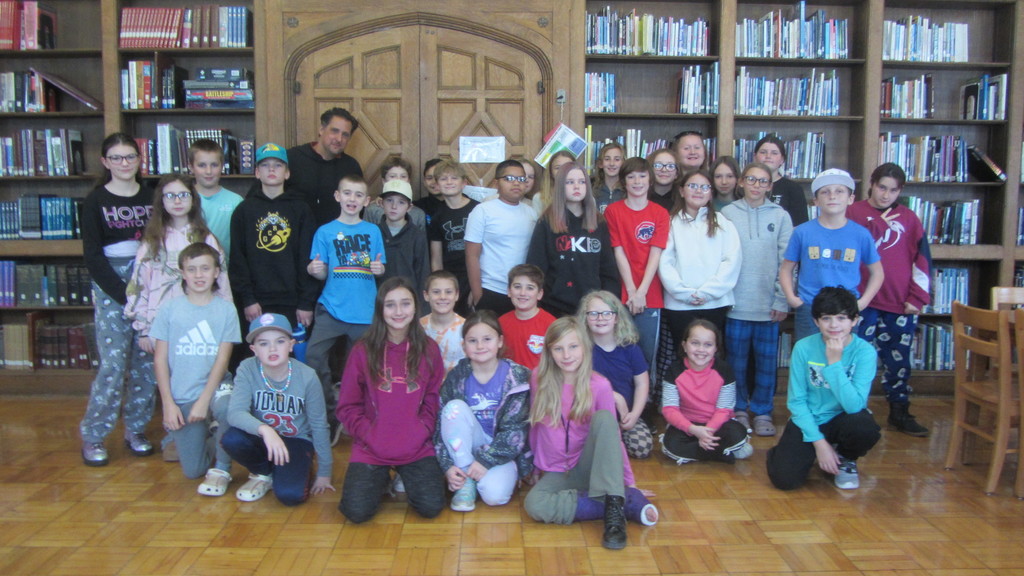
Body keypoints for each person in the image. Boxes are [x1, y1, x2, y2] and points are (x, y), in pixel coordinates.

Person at [523, 317, 658, 551]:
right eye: (558, 348)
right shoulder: (539, 379)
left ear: (585, 347)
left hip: (590, 466)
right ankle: (619, 502)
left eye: (573, 346)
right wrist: (534, 467)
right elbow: (536, 427)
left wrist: (629, 482)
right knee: (534, 505)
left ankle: (615, 509)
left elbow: (612, 437)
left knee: (605, 418)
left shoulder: (600, 385)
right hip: (557, 470)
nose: (567, 355)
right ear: (549, 351)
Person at [337, 277, 446, 523]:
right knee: (356, 512)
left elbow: (433, 398)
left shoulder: (429, 349)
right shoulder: (362, 350)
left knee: (431, 507)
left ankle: (403, 476)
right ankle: (382, 478)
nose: (398, 312)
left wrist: (422, 429)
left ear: (415, 307)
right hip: (371, 448)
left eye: (405, 303)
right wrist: (368, 433)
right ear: (380, 309)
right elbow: (347, 405)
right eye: (390, 305)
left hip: (416, 447)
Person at [79, 132, 156, 466]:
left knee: (146, 362)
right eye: (117, 158)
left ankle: (136, 429)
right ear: (105, 162)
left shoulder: (152, 196)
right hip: (112, 286)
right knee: (113, 364)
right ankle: (94, 434)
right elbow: (93, 256)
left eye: (130, 157)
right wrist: (125, 295)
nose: (124, 163)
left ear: (139, 160)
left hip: (149, 282)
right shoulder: (95, 201)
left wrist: (148, 292)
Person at [766, 287, 881, 491]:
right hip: (811, 418)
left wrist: (834, 363)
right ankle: (803, 450)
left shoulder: (864, 352)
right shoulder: (803, 347)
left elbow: (855, 406)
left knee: (865, 427)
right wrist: (819, 443)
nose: (834, 325)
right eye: (826, 318)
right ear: (816, 321)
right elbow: (797, 401)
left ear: (854, 320)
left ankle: (845, 458)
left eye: (841, 318)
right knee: (785, 480)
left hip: (844, 419)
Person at [848, 162, 931, 437]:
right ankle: (854, 412)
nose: (886, 195)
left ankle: (899, 411)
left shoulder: (910, 219)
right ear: (871, 184)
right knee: (855, 359)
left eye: (893, 190)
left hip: (898, 303)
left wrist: (918, 297)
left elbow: (922, 260)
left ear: (900, 191)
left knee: (899, 361)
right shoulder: (852, 213)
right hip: (861, 302)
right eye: (882, 187)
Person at [151, 243, 240, 495]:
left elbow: (222, 360)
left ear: (216, 272)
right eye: (192, 269)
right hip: (183, 394)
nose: (199, 275)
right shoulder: (170, 309)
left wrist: (204, 401)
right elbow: (160, 360)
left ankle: (222, 468)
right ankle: (215, 436)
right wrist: (168, 404)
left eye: (205, 268)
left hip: (216, 387)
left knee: (227, 409)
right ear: (183, 273)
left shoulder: (226, 309)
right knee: (193, 470)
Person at [305, 173, 385, 444]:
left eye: (358, 195)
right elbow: (321, 272)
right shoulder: (324, 231)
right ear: (337, 196)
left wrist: (379, 269)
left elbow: (379, 267)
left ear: (367, 201)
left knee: (360, 369)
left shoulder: (373, 231)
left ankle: (355, 418)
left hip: (364, 312)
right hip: (331, 308)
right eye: (347, 193)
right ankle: (329, 415)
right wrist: (314, 270)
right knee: (314, 357)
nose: (352, 199)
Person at [222, 313, 335, 504]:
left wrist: (325, 472)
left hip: (295, 440)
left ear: (291, 345)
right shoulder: (247, 368)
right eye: (264, 343)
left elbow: (319, 424)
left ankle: (292, 468)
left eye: (280, 341)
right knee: (232, 438)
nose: (272, 348)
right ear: (254, 349)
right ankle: (263, 472)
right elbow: (235, 413)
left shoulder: (307, 376)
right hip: (262, 438)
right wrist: (265, 430)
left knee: (290, 496)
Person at [721, 162, 793, 437]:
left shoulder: (781, 216)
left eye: (763, 181)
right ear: (741, 182)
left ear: (770, 186)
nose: (757, 185)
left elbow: (788, 262)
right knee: (736, 363)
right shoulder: (727, 214)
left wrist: (781, 299)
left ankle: (762, 410)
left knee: (765, 366)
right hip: (736, 305)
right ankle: (739, 409)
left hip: (768, 306)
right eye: (751, 179)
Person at [434, 311, 533, 512]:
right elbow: (440, 423)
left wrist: (485, 462)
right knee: (454, 409)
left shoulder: (517, 377)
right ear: (464, 345)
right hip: (465, 447)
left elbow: (516, 432)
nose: (480, 346)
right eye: (473, 341)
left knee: (495, 497)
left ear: (500, 341)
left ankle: (482, 475)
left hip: (501, 450)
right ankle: (465, 478)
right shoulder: (456, 376)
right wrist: (447, 466)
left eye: (487, 339)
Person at [125, 174, 231, 357]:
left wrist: (224, 321)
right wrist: (143, 328)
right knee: (165, 371)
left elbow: (222, 284)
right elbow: (139, 285)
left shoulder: (206, 239)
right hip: (160, 325)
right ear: (161, 201)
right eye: (170, 195)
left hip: (201, 324)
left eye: (183, 195)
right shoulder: (152, 242)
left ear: (193, 199)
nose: (177, 201)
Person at [780, 168, 884, 341]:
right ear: (815, 200)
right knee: (810, 354)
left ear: (850, 199)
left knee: (844, 356)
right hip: (810, 306)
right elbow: (786, 269)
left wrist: (863, 302)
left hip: (846, 309)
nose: (832, 196)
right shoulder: (802, 232)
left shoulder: (860, 234)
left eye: (839, 191)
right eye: (825, 192)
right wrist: (791, 298)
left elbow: (877, 272)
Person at [228, 142, 318, 337]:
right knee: (259, 349)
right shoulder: (243, 211)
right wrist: (248, 299)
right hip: (256, 303)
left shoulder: (301, 210)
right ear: (257, 172)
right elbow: (238, 260)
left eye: (277, 165)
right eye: (265, 165)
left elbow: (309, 257)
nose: (271, 169)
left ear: (287, 173)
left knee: (291, 350)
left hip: (293, 302)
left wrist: (306, 302)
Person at [659, 169, 741, 344]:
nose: (698, 191)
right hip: (679, 305)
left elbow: (731, 261)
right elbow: (665, 262)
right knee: (683, 353)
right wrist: (684, 294)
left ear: (711, 193)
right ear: (682, 191)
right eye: (692, 186)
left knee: (710, 354)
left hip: (715, 303)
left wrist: (708, 293)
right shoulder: (669, 222)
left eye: (704, 187)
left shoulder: (723, 222)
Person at [527, 160, 618, 317]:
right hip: (554, 306)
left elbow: (608, 269)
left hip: (593, 308)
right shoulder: (546, 222)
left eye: (582, 182)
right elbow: (536, 267)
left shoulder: (599, 222)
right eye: (570, 182)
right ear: (560, 187)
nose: (577, 186)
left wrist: (609, 304)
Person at [605, 157, 670, 371]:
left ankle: (646, 393)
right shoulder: (613, 211)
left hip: (651, 293)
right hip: (621, 291)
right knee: (619, 351)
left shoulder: (660, 213)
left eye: (642, 176)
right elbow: (618, 250)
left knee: (646, 354)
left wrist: (642, 292)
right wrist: (632, 290)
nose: (637, 181)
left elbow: (655, 253)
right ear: (624, 182)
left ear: (650, 180)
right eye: (631, 177)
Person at [660, 319, 752, 464]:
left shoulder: (724, 370)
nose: (701, 350)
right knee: (671, 445)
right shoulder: (674, 370)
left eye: (708, 345)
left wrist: (707, 432)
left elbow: (724, 410)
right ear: (684, 345)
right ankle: (720, 454)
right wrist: (694, 430)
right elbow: (670, 410)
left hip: (717, 425)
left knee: (738, 433)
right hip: (688, 424)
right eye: (695, 343)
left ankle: (699, 451)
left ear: (716, 348)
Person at [580, 291, 653, 459]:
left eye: (607, 313)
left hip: (624, 415)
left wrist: (634, 415)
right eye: (593, 314)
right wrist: (613, 396)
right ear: (585, 318)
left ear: (617, 318)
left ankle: (614, 439)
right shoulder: (581, 349)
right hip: (590, 416)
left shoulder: (631, 348)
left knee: (642, 448)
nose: (600, 318)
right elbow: (578, 384)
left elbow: (642, 384)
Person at [465, 159, 538, 316]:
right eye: (509, 178)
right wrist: (478, 296)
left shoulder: (531, 213)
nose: (516, 183)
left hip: (522, 293)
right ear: (496, 183)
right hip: (491, 289)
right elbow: (472, 256)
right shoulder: (482, 211)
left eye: (521, 179)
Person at [287, 107, 364, 227]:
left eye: (345, 135)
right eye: (334, 131)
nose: (339, 139)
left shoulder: (351, 167)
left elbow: (358, 210)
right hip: (295, 234)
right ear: (322, 129)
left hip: (336, 236)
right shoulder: (292, 158)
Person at [428, 159, 478, 316]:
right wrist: (438, 287)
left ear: (464, 183)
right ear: (437, 185)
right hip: (450, 278)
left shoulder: (477, 209)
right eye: (443, 179)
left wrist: (477, 287)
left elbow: (487, 251)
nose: (449, 182)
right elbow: (436, 258)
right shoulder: (437, 215)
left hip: (474, 275)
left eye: (454, 178)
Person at [374, 179, 430, 297]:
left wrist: (421, 305)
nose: (394, 206)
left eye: (401, 202)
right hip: (379, 298)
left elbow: (423, 274)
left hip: (408, 299)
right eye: (389, 200)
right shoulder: (373, 233)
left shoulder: (418, 236)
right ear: (381, 203)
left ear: (409, 207)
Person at [188, 139, 242, 259]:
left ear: (222, 166)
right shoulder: (184, 200)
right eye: (202, 165)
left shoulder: (236, 201)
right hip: (191, 267)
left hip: (227, 267)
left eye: (214, 165)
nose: (208, 171)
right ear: (191, 167)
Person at [498, 264, 555, 370]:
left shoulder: (551, 325)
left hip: (539, 380)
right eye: (517, 287)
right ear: (509, 291)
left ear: (540, 294)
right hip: (508, 379)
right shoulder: (500, 323)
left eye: (530, 288)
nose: (523, 293)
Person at [754, 134, 809, 227]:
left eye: (774, 153)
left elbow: (800, 226)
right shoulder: (746, 186)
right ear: (755, 157)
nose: (768, 156)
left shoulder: (794, 189)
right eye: (763, 152)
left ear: (782, 159)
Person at [420, 270, 466, 374]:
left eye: (448, 292)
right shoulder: (418, 327)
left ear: (457, 295)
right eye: (436, 292)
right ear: (426, 295)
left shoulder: (467, 328)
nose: (443, 297)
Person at [364, 155, 427, 231]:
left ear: (409, 181)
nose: (398, 180)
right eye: (392, 176)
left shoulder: (418, 214)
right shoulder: (372, 210)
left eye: (403, 176)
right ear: (384, 181)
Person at [535, 150, 576, 216]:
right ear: (551, 172)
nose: (563, 171)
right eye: (558, 168)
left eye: (568, 167)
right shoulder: (539, 198)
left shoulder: (586, 197)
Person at [592, 142, 624, 214]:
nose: (612, 163)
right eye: (607, 159)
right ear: (600, 163)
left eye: (617, 159)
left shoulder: (628, 190)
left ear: (623, 163)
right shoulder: (592, 189)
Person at [414, 157, 444, 223]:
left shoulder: (459, 204)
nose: (434, 182)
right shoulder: (417, 206)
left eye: (439, 177)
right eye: (429, 178)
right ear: (424, 181)